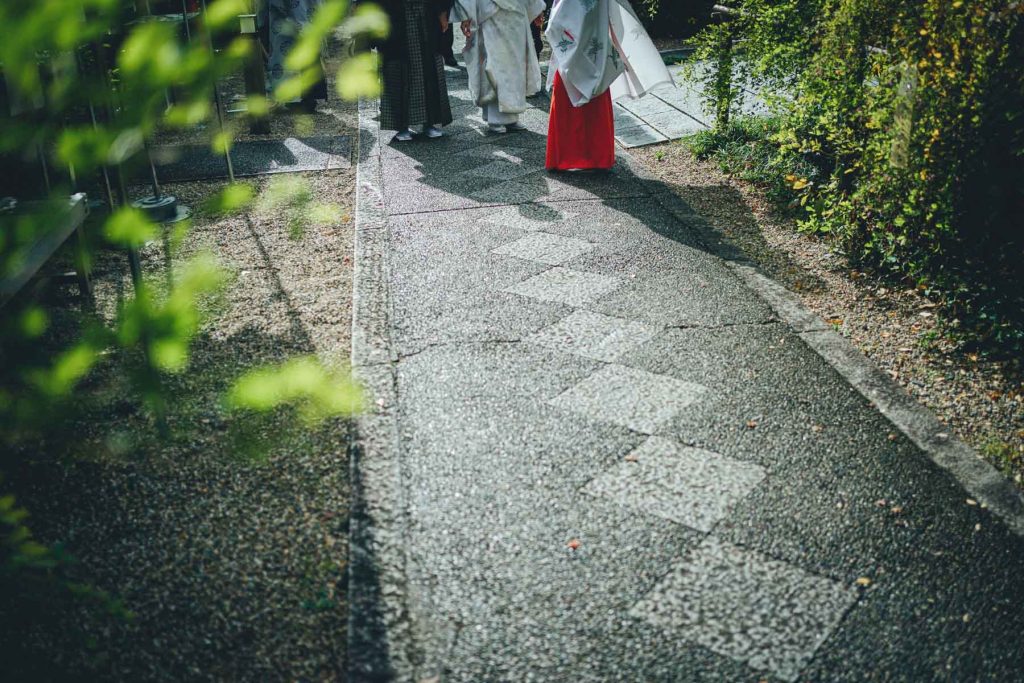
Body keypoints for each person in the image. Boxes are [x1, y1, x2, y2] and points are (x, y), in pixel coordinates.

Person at [544, 0, 672, 170]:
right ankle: (598, 158)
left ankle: (563, 158)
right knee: (596, 99)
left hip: (575, 48)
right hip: (597, 50)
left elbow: (557, 22)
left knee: (568, 99)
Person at [451, 0, 547, 134]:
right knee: (494, 65)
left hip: (516, 13)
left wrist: (537, 7)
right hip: (490, 13)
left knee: (515, 66)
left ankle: (512, 114)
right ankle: (494, 117)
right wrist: (466, 14)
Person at [378, 0, 455, 141]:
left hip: (427, 12)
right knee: (398, 70)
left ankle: (430, 122)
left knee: (429, 68)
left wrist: (443, 13)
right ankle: (401, 126)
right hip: (392, 14)